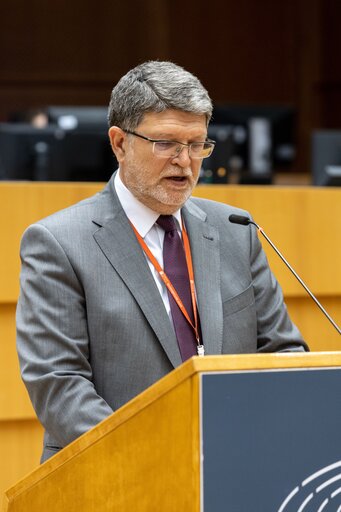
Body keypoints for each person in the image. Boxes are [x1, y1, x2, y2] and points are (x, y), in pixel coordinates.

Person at [16, 61, 308, 463]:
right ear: (119, 143)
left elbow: (283, 353)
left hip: (232, 470)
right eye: (167, 143)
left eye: (197, 145)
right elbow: (60, 385)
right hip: (115, 478)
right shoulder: (59, 243)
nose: (185, 162)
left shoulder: (236, 231)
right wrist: (159, 459)